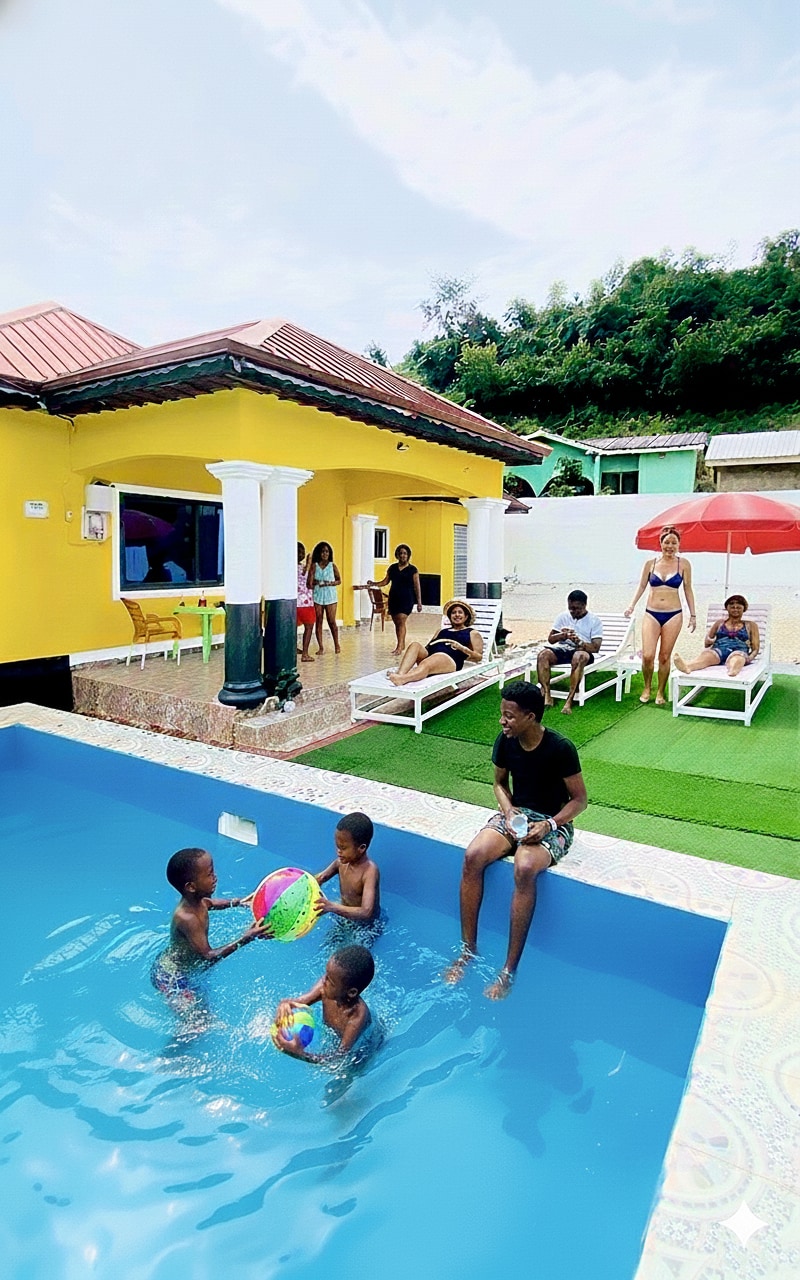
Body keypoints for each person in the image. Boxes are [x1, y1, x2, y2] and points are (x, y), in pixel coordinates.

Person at [443, 681, 587, 1001]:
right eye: (502, 714)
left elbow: (580, 801)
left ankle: (508, 970)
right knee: (473, 855)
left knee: (524, 867)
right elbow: (498, 783)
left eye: (509, 716)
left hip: (553, 822)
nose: (502, 721)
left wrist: (549, 825)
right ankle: (468, 950)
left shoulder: (560, 748)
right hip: (516, 814)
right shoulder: (505, 741)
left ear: (530, 717)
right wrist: (508, 811)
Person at [151, 847, 270, 1003]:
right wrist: (245, 938)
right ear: (191, 887)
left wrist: (240, 902)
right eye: (209, 874)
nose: (215, 877)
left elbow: (213, 903)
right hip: (170, 974)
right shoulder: (188, 918)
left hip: (184, 968)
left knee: (202, 1002)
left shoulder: (200, 901)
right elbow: (208, 957)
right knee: (196, 1015)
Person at [625, 525, 697, 705]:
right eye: (667, 542)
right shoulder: (651, 564)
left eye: (674, 543)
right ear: (661, 543)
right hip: (651, 613)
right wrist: (632, 605)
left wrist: (693, 614)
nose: (670, 546)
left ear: (679, 545)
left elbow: (688, 589)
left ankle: (660, 692)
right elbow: (642, 586)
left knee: (664, 656)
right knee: (648, 655)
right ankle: (647, 687)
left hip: (674, 614)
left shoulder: (684, 564)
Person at [271, 945, 376, 1064]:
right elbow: (297, 1002)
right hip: (333, 1036)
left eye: (330, 981)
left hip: (362, 1049)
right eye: (326, 974)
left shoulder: (356, 1016)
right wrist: (284, 1005)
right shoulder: (325, 986)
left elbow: (339, 1058)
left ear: (351, 992)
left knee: (350, 1069)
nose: (323, 980)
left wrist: (300, 1054)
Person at [387, 599, 483, 687]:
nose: (457, 615)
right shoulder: (441, 631)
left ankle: (403, 679)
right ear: (450, 616)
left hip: (450, 659)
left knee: (429, 662)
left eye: (460, 612)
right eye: (453, 613)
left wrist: (462, 648)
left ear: (466, 616)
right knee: (415, 645)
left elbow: (478, 657)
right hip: (432, 655)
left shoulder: (472, 633)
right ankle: (400, 674)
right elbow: (428, 647)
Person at [537, 589, 603, 715]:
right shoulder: (562, 617)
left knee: (579, 656)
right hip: (564, 649)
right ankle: (547, 694)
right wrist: (562, 635)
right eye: (571, 608)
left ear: (584, 605)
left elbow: (595, 648)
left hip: (583, 651)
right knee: (543, 655)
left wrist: (579, 642)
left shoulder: (594, 621)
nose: (573, 611)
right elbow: (551, 639)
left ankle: (569, 700)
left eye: (577, 608)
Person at [315, 812, 381, 925]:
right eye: (337, 846)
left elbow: (366, 912)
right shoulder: (340, 862)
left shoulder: (369, 872)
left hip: (366, 926)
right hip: (344, 916)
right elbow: (320, 878)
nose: (338, 852)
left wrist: (332, 907)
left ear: (361, 848)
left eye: (343, 848)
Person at [673, 594, 759, 677]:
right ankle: (687, 666)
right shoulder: (719, 623)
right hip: (719, 650)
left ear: (744, 609)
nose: (735, 609)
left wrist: (749, 658)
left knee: (737, 659)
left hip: (739, 650)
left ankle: (733, 671)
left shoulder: (750, 625)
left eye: (738, 607)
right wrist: (710, 640)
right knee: (707, 656)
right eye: (732, 607)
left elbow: (755, 648)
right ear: (727, 608)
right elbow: (707, 644)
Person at [368, 544, 423, 654]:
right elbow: (385, 581)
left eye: (405, 553)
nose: (402, 555)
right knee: (397, 623)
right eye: (400, 553)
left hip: (407, 599)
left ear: (408, 555)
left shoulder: (412, 570)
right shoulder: (392, 568)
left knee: (401, 621)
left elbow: (417, 586)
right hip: (394, 598)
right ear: (397, 555)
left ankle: (399, 647)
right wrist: (374, 583)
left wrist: (419, 602)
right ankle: (401, 643)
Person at [308, 541, 342, 655]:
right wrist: (316, 582)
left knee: (331, 620)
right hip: (318, 595)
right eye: (323, 551)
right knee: (318, 620)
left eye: (327, 551)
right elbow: (310, 583)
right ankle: (321, 647)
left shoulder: (332, 566)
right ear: (319, 553)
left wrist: (329, 583)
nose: (325, 554)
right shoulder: (314, 566)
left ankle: (336, 644)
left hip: (330, 596)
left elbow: (339, 580)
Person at [296, 542, 316, 663]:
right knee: (309, 627)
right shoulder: (302, 568)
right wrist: (309, 565)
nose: (301, 554)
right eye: (298, 551)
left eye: (302, 551)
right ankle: (305, 654)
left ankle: (294, 648)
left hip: (295, 602)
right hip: (305, 602)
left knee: (294, 627)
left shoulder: (296, 567)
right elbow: (307, 581)